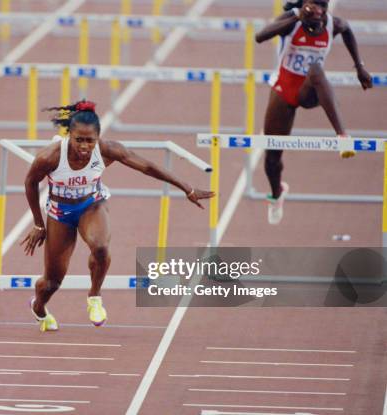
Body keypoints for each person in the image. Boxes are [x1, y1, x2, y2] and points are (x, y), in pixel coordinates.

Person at [21, 100, 214, 332]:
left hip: (91, 205)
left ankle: (94, 298)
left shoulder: (107, 150)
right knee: (51, 282)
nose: (84, 146)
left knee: (100, 247)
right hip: (60, 214)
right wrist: (38, 224)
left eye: (90, 140)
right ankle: (39, 307)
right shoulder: (50, 157)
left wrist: (187, 188)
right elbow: (30, 183)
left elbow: (147, 167)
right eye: (78, 140)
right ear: (69, 136)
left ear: (98, 138)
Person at [256, 0, 373, 225]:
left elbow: (347, 30)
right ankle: (277, 193)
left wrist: (359, 67)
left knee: (317, 71)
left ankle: (342, 136)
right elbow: (259, 37)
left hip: (309, 89)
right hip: (284, 88)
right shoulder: (292, 19)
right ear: (305, 4)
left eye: (323, 5)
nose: (318, 10)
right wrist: (296, 18)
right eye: (314, 4)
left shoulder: (333, 24)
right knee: (272, 159)